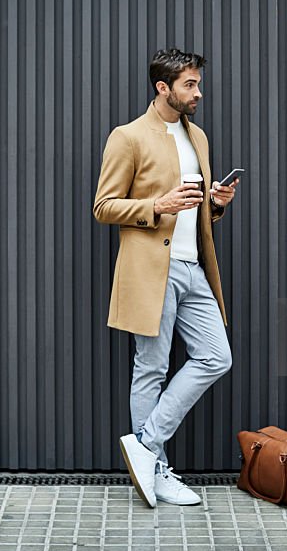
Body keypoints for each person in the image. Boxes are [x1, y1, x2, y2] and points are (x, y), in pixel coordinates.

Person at [92, 48, 240, 508]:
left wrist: (215, 205)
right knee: (151, 368)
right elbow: (104, 206)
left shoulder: (199, 137)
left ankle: (146, 445)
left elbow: (195, 212)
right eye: (190, 84)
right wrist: (157, 206)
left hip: (193, 268)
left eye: (198, 84)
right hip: (151, 270)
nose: (198, 92)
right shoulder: (128, 137)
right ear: (163, 88)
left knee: (216, 357)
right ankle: (154, 470)